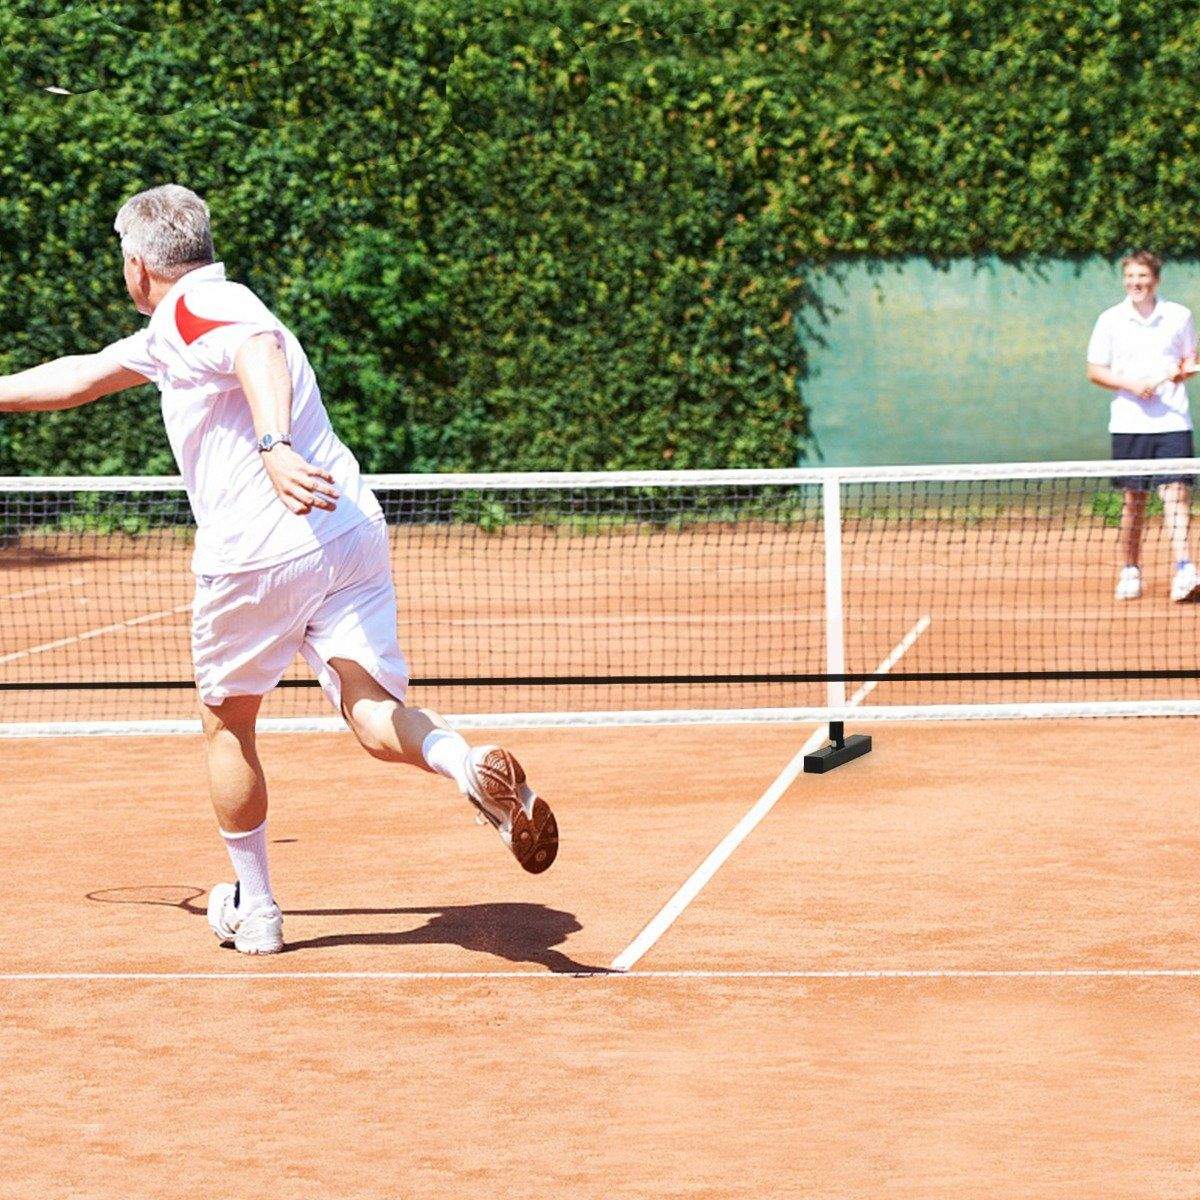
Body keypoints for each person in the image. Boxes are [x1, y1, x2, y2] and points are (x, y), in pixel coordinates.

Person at [0, 184, 558, 954]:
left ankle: (257, 910)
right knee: (370, 711)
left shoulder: (202, 311)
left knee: (227, 724)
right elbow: (84, 375)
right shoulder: (175, 329)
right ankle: (464, 764)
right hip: (346, 531)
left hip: (258, 553)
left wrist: (273, 445)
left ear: (138, 267)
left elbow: (256, 350)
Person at [1086, 250, 1200, 603]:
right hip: (1128, 424)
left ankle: (1185, 569)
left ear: (1156, 280)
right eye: (1131, 277)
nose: (1136, 283)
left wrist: (1180, 373)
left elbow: (1190, 360)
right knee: (1133, 502)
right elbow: (1095, 370)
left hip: (1173, 421)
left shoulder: (1179, 316)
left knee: (1176, 494)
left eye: (1143, 277)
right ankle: (1130, 570)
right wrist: (1132, 385)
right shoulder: (1110, 320)